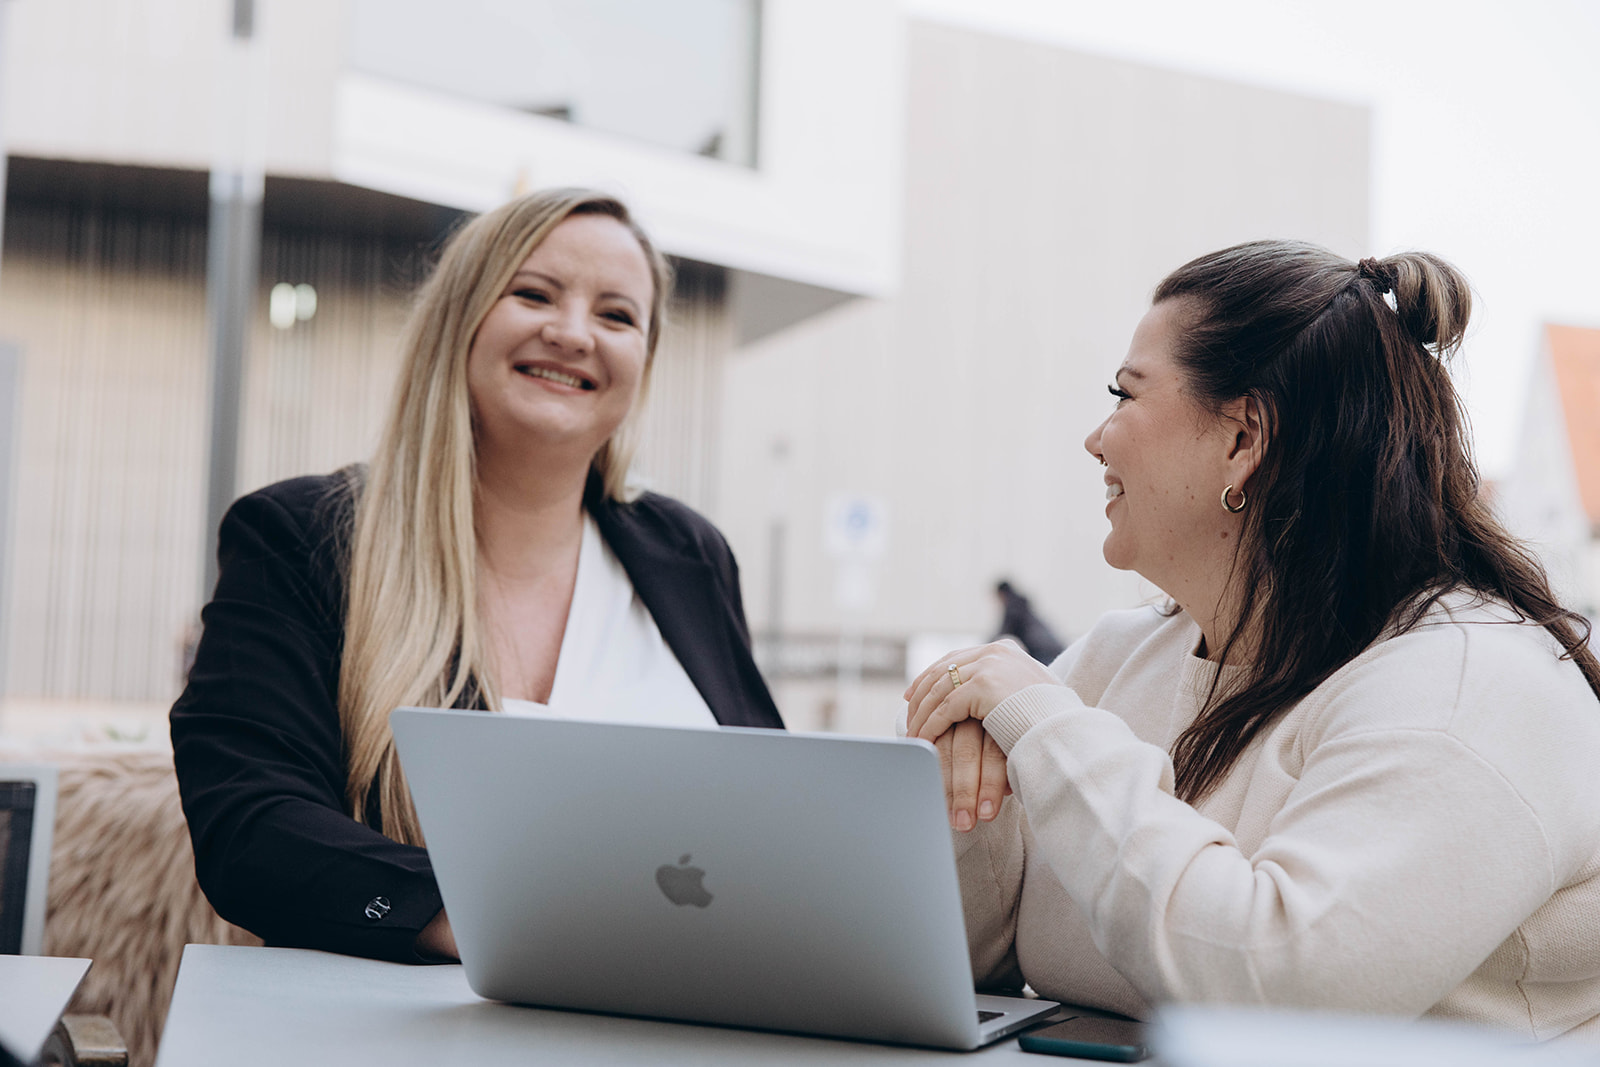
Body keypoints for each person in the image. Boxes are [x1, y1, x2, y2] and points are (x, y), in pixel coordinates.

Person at [905, 241, 1600, 1038]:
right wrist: (970, 760)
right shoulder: (1111, 660)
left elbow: (1279, 988)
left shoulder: (1469, 689)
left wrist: (1040, 726)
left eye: (1124, 395)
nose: (1096, 439)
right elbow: (964, 965)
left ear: (1244, 440)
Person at [171, 188, 784, 964]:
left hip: (696, 1013)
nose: (572, 334)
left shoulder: (691, 554)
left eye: (617, 315)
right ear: (458, 321)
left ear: (644, 363)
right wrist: (497, 919)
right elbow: (250, 823)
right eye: (532, 294)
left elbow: (776, 808)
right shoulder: (302, 536)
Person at [993, 579, 1066, 664]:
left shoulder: (1013, 609)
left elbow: (1005, 631)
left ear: (1001, 594)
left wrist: (985, 646)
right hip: (1051, 648)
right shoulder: (1021, 606)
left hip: (1041, 651)